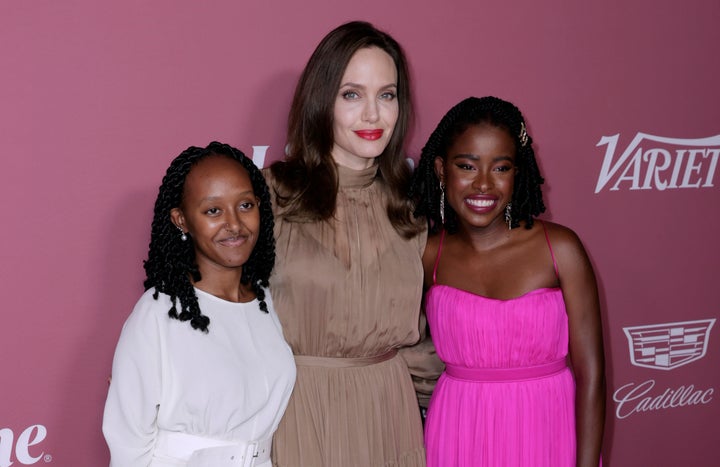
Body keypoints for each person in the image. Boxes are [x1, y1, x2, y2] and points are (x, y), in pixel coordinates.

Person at [264, 21, 430, 466]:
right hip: (299, 415)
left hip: (390, 418)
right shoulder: (272, 197)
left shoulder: (414, 208)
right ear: (322, 101)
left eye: (387, 95)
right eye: (352, 94)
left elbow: (425, 341)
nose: (373, 115)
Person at [410, 96, 605, 466]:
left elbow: (592, 375)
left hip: (547, 433)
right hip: (457, 435)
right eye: (467, 166)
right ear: (440, 169)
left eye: (500, 168)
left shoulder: (560, 249)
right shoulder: (426, 255)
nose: (483, 184)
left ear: (518, 173)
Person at [102, 142, 296, 467]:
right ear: (181, 220)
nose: (234, 224)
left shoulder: (265, 301)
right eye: (213, 211)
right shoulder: (158, 313)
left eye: (245, 205)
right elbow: (128, 444)